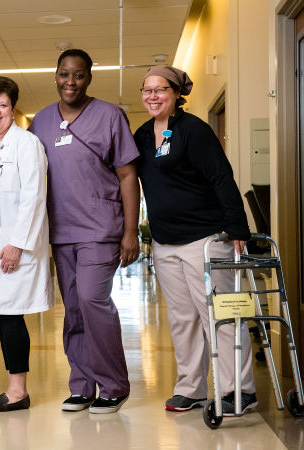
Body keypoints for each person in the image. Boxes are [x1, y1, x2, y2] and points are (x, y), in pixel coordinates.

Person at [134, 66, 256, 415]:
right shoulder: (142, 134)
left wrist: (237, 228)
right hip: (165, 243)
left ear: (176, 93)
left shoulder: (194, 130)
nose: (153, 96)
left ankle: (239, 390)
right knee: (182, 318)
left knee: (219, 315)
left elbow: (221, 177)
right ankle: (192, 388)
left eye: (161, 89)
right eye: (147, 90)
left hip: (205, 238)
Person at [28, 49, 140, 414]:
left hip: (100, 229)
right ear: (55, 77)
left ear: (89, 78)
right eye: (64, 74)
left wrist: (130, 231)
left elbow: (127, 175)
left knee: (93, 300)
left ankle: (113, 384)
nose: (70, 82)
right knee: (74, 309)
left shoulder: (109, 115)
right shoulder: (41, 122)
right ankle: (82, 384)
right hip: (60, 231)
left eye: (78, 75)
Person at [0, 76, 53, 412]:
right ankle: (15, 389)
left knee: (10, 316)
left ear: (12, 108)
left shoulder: (26, 144)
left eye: (3, 104)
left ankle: (18, 391)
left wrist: (17, 244)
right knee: (5, 314)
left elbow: (34, 197)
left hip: (10, 247)